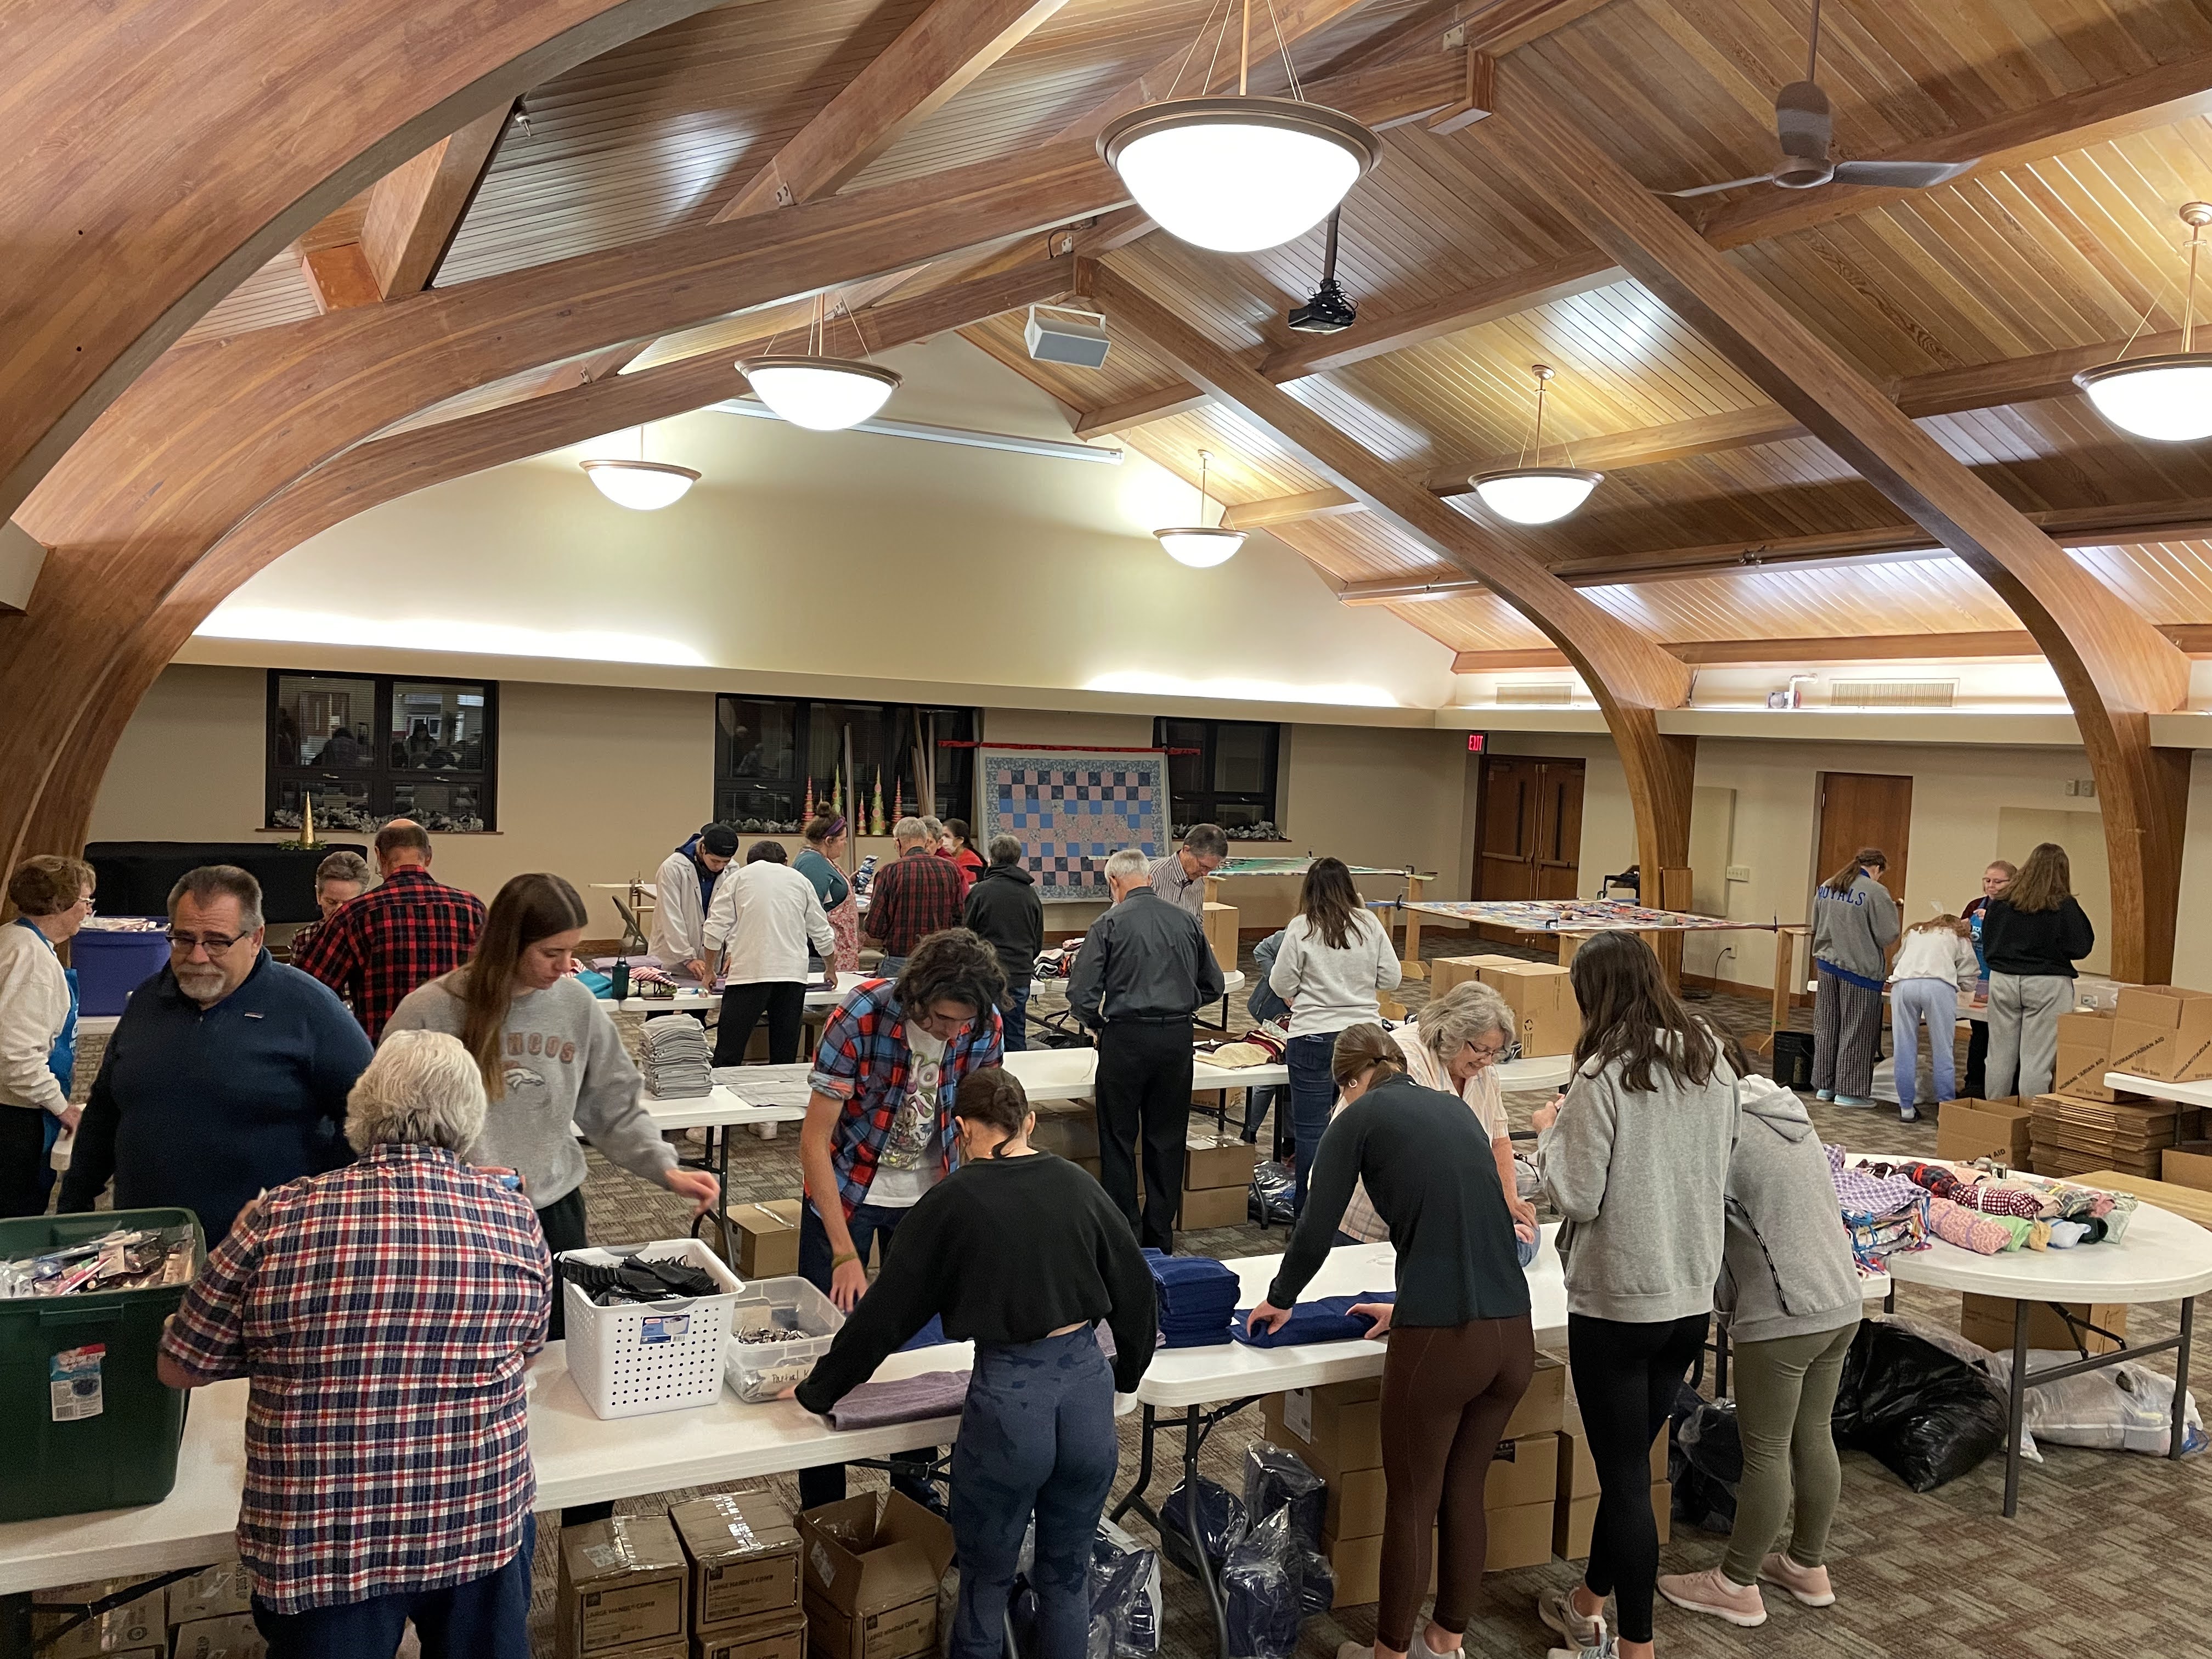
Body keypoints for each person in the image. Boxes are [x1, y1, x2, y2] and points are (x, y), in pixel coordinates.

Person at [156, 1031, 549, 1659]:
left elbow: (179, 1367)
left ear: (360, 1115)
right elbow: (526, 1352)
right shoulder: (514, 1216)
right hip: (477, 1521)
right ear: (472, 1120)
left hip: (321, 1544)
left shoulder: (277, 1217)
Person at [794, 1069, 1155, 1659]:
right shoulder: (1079, 1185)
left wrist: (818, 1391)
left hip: (1012, 1404)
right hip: (1088, 1393)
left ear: (959, 1128)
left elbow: (885, 1319)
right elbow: (1139, 1292)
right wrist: (1127, 1377)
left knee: (984, 1587)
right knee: (1066, 1583)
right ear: (1028, 1123)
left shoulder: (950, 1204)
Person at [1244, 1024, 1533, 1659]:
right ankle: (1445, 1641)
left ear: (1346, 1082)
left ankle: (1390, 1653)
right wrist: (1405, 1305)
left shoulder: (1358, 1117)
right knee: (1464, 1492)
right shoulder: (1455, 1110)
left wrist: (1280, 1300)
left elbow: (1314, 1229)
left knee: (1412, 1502)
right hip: (1513, 1332)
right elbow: (1465, 1227)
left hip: (1444, 1338)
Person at [383, 873, 719, 1327]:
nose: (566, 966)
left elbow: (613, 1103)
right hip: (459, 1218)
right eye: (550, 953)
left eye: (572, 952)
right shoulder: (430, 1009)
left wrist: (664, 1168)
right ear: (508, 945)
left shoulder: (576, 1004)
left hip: (553, 1209)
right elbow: (387, 1129)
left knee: (562, 1344)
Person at [1528, 932, 1737, 1659]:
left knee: (1622, 1481)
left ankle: (1633, 1647)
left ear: (1596, 995)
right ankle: (1587, 1600)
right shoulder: (1710, 1053)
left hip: (1618, 1300)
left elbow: (1577, 1195)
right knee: (1628, 1467)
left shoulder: (1602, 1073)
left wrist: (1548, 1137)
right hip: (1689, 1294)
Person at [796, 929, 1006, 1508]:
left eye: (961, 1023)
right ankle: (824, 1505)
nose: (950, 1033)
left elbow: (982, 1124)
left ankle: (913, 1493)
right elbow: (815, 1142)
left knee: (920, 1353)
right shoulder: (861, 1016)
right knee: (829, 1348)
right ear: (916, 996)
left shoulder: (982, 1025)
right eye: (941, 1020)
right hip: (849, 1192)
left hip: (930, 1196)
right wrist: (843, 1252)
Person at [1657, 1043, 1860, 1631]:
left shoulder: (1720, 1131)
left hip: (1784, 1314)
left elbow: (1674, 1212)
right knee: (1812, 1434)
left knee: (1766, 1449)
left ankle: (1736, 1584)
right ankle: (1805, 1565)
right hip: (1840, 1301)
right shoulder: (1786, 1111)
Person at [60, 866, 372, 1241]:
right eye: (183, 939)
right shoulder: (147, 1001)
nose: (197, 956)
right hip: (149, 1247)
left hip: (267, 1253)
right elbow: (106, 1113)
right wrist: (73, 1207)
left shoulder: (310, 1009)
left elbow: (369, 1119)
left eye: (217, 942)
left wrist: (320, 1204)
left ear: (256, 938)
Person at [1068, 848, 1224, 1250]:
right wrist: (1180, 1004)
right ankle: (1161, 1232)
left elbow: (1081, 995)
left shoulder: (1108, 923)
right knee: (1167, 1137)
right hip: (1176, 1039)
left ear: (1115, 882)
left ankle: (1125, 1234)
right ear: (1149, 878)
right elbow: (1214, 985)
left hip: (1125, 1039)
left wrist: (1101, 1025)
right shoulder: (1187, 920)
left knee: (1118, 1137)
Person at [1342, 980, 1538, 1245]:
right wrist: (1480, 1223)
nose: (1488, 1061)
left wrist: (1508, 1200)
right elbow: (1421, 1164)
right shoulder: (1404, 1060)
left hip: (1431, 1218)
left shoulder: (1482, 1070)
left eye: (1495, 1052)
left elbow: (1498, 1139)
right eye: (1481, 1050)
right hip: (1373, 1221)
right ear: (1453, 1033)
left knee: (1524, 1239)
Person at [1268, 856, 1401, 1211]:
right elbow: (1392, 978)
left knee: (1312, 1132)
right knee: (1362, 1130)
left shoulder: (1302, 926)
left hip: (1312, 1036)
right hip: (1364, 1039)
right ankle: (1356, 1215)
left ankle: (1309, 1218)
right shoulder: (1369, 924)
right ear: (1349, 888)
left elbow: (1280, 982)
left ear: (1309, 890)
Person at [292, 819, 487, 1040]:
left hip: (386, 1055)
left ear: (379, 856)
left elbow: (305, 988)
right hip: (460, 1055)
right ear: (429, 856)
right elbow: (495, 982)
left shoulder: (355, 913)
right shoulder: (473, 909)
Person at [1, 855, 94, 1217]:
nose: (88, 911)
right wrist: (63, 1109)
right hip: (16, 1122)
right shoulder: (30, 959)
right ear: (61, 904)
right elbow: (17, 1058)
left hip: (17, 1113)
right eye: (86, 901)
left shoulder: (16, 938)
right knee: (16, 1224)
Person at [705, 840, 836, 1067]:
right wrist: (831, 969)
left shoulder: (738, 878)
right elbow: (821, 931)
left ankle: (724, 1097)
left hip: (749, 975)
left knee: (729, 1053)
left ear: (749, 862)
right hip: (791, 977)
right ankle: (780, 1098)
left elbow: (715, 929)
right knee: (784, 1056)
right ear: (786, 862)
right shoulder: (800, 880)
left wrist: (709, 971)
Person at [1983, 842, 2095, 1099]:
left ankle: (1996, 1116)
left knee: (1999, 1056)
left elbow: (1988, 939)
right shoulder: (2063, 905)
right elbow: (2081, 947)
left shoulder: (2002, 901)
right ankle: (2030, 1123)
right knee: (2037, 1061)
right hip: (2047, 983)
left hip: (2003, 980)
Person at [1809, 846, 1897, 1108]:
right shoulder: (1875, 891)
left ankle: (1825, 1085)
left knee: (1827, 1026)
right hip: (1859, 970)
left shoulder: (1828, 885)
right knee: (1857, 1029)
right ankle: (1850, 1092)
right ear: (1878, 869)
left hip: (1826, 965)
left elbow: (1816, 924)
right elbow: (1887, 935)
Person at [1888, 913, 1980, 1120]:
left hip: (1903, 985)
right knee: (1942, 1050)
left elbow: (1897, 960)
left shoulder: (1915, 932)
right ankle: (1944, 1110)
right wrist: (1966, 987)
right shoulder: (1958, 936)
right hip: (1938, 987)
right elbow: (1970, 972)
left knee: (1904, 1049)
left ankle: (1906, 1108)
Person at [962, 835, 1043, 1053]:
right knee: (1016, 1033)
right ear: (1018, 859)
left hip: (986, 975)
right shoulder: (1030, 894)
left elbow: (967, 936)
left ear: (991, 859)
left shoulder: (980, 892)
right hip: (1020, 974)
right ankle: (1016, 1082)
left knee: (984, 1033)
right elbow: (1037, 940)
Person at [864, 817, 968, 977]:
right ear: (925, 841)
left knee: (896, 1000)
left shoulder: (890, 872)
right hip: (939, 958)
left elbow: (874, 927)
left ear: (898, 842)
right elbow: (959, 917)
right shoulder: (949, 869)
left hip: (900, 959)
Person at [651, 822, 738, 984]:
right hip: (673, 960)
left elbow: (732, 918)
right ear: (703, 849)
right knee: (663, 1005)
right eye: (715, 861)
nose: (720, 867)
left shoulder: (732, 870)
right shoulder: (673, 868)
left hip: (709, 964)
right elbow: (671, 917)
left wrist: (732, 953)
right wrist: (687, 957)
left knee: (701, 1006)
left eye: (725, 862)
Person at [1959, 861, 2016, 1096]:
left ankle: (2005, 1090)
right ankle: (1974, 1084)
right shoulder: (1975, 905)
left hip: (2004, 980)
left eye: (1998, 881)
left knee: (2003, 1036)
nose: (1991, 886)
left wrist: (1991, 922)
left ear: (2012, 883)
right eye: (1987, 880)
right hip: (1978, 978)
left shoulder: (2016, 910)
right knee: (1979, 1032)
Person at [1240, 927, 1291, 1150]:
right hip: (1277, 1013)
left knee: (1291, 1079)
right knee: (1270, 1073)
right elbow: (1262, 951)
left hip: (1310, 1016)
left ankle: (1290, 1140)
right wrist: (1279, 987)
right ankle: (1250, 1130)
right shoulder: (1298, 929)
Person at [795, 814, 861, 977]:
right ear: (828, 840)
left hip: (830, 951)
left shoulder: (818, 860)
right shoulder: (812, 864)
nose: (845, 844)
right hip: (820, 956)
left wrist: (847, 884)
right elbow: (811, 911)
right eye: (842, 839)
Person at [286, 850, 373, 960]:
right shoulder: (304, 938)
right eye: (331, 902)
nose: (339, 911)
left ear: (364, 900)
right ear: (318, 896)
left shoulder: (373, 938)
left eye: (348, 904)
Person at [1148, 823, 1229, 918]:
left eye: (1210, 869)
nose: (1205, 874)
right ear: (1187, 850)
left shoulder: (1199, 881)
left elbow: (1198, 921)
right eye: (1203, 866)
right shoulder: (1153, 875)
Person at [939, 819, 986, 890]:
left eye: (947, 836)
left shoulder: (973, 865)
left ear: (959, 840)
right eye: (941, 836)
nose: (942, 840)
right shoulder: (941, 858)